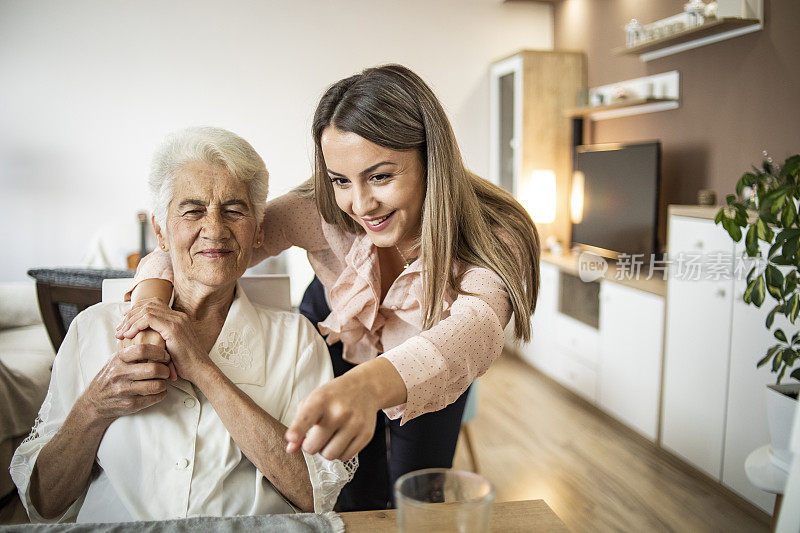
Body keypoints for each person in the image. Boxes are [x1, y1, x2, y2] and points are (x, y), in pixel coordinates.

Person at [118, 64, 540, 510]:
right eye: (341, 180)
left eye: (380, 176)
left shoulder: (495, 232)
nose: (360, 204)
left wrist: (368, 386)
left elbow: (476, 329)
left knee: (418, 493)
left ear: (431, 159)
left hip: (429, 357)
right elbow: (209, 244)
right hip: (336, 333)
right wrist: (148, 308)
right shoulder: (317, 210)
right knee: (351, 492)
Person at [10, 127, 355, 523]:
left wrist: (203, 370)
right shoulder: (95, 330)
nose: (214, 228)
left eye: (234, 209)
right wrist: (93, 408)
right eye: (192, 210)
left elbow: (315, 494)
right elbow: (42, 502)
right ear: (160, 230)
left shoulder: (296, 339)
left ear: (258, 229)